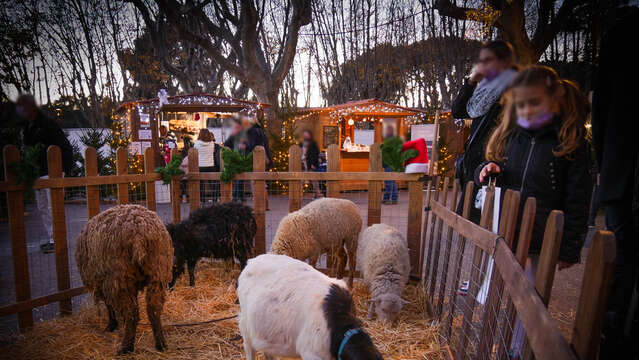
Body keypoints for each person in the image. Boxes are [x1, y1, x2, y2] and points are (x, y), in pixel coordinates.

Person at [475, 66, 590, 357]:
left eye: (534, 102)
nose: (527, 109)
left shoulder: (570, 143)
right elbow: (489, 165)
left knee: (531, 299)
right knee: (501, 290)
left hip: (542, 239)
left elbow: (578, 199)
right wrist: (485, 170)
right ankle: (490, 337)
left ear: (555, 101)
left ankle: (518, 350)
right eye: (521, 103)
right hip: (508, 230)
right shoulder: (510, 137)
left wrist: (570, 247)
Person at [593, 5, 639, 358]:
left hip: (620, 171)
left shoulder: (621, 35)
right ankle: (613, 333)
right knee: (621, 259)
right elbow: (604, 106)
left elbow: (603, 109)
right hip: (622, 173)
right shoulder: (622, 35)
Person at [452, 40, 517, 222]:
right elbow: (457, 111)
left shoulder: (512, 87)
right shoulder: (484, 90)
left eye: (488, 60)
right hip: (473, 165)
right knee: (469, 224)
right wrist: (471, 82)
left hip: (492, 164)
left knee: (486, 222)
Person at [18, 94, 74, 254]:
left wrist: (64, 170)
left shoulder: (48, 125)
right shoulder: (28, 128)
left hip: (53, 172)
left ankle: (58, 239)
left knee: (53, 207)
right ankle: (51, 238)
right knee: (42, 207)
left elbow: (65, 147)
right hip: (38, 173)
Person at [224, 118, 249, 202]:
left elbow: (250, 145)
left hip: (243, 158)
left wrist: (245, 146)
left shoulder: (245, 136)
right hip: (234, 158)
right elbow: (226, 144)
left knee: (241, 178)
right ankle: (237, 196)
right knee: (238, 178)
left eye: (237, 127)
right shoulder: (232, 136)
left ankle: (239, 196)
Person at [194, 129, 221, 203]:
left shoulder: (196, 144)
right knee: (212, 184)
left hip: (200, 166)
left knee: (201, 184)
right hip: (210, 165)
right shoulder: (212, 143)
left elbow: (195, 153)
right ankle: (215, 199)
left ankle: (202, 200)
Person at [300, 129, 321, 199]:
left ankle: (317, 194)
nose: (305, 135)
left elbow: (316, 154)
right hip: (303, 164)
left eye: (307, 134)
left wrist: (314, 164)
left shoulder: (313, 144)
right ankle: (299, 195)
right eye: (304, 134)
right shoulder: (301, 144)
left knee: (314, 180)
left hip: (310, 164)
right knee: (301, 181)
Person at [382, 126, 399, 205]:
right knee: (392, 181)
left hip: (390, 163)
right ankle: (393, 198)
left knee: (389, 182)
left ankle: (388, 198)